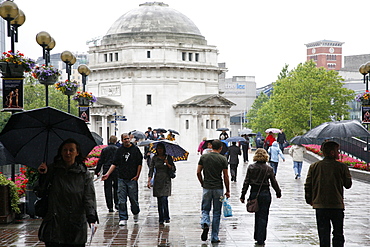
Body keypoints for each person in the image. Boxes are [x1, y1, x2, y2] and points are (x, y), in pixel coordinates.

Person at [34, 138, 98, 247]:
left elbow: (88, 196)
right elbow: (39, 191)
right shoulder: (52, 170)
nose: (67, 153)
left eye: (71, 150)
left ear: (77, 153)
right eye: (65, 150)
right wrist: (43, 176)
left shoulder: (83, 173)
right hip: (54, 222)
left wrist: (91, 216)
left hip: (75, 222)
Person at [304, 141, 352, 247]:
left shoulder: (314, 166)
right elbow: (348, 184)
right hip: (337, 205)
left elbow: (308, 185)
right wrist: (346, 172)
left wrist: (309, 199)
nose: (339, 153)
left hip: (320, 205)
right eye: (337, 151)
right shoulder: (341, 167)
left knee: (323, 233)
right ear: (332, 152)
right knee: (338, 233)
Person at [240, 148, 281, 246]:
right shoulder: (269, 168)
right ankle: (261, 237)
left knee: (257, 215)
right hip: (265, 193)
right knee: (264, 216)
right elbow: (274, 182)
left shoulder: (251, 167)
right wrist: (278, 192)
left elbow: (246, 182)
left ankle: (257, 235)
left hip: (254, 193)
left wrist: (243, 195)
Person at [102, 133, 143, 226]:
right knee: (121, 200)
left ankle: (135, 212)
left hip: (132, 178)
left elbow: (139, 163)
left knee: (133, 199)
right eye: (125, 139)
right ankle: (123, 217)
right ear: (122, 140)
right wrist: (107, 174)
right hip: (121, 178)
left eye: (128, 138)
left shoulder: (135, 150)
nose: (127, 140)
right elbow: (114, 163)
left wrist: (137, 176)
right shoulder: (119, 150)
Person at [197, 139, 230, 243]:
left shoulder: (204, 157)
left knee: (205, 209)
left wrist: (202, 183)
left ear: (210, 146)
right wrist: (228, 190)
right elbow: (225, 176)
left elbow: (198, 172)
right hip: (218, 188)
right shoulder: (223, 159)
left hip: (207, 187)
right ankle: (214, 236)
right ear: (220, 148)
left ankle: (205, 222)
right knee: (216, 212)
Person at [147, 142, 176, 224]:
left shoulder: (168, 157)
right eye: (158, 148)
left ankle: (166, 216)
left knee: (164, 198)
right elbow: (151, 170)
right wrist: (149, 181)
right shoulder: (154, 158)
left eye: (161, 148)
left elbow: (173, 169)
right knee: (159, 199)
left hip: (166, 179)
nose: (160, 150)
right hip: (157, 180)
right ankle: (161, 218)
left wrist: (168, 164)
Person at [95, 135, 119, 212]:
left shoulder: (105, 149)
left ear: (109, 140)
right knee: (116, 187)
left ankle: (110, 206)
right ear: (116, 141)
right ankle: (117, 203)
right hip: (116, 170)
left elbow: (101, 160)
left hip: (106, 169)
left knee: (107, 188)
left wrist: (97, 170)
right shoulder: (118, 150)